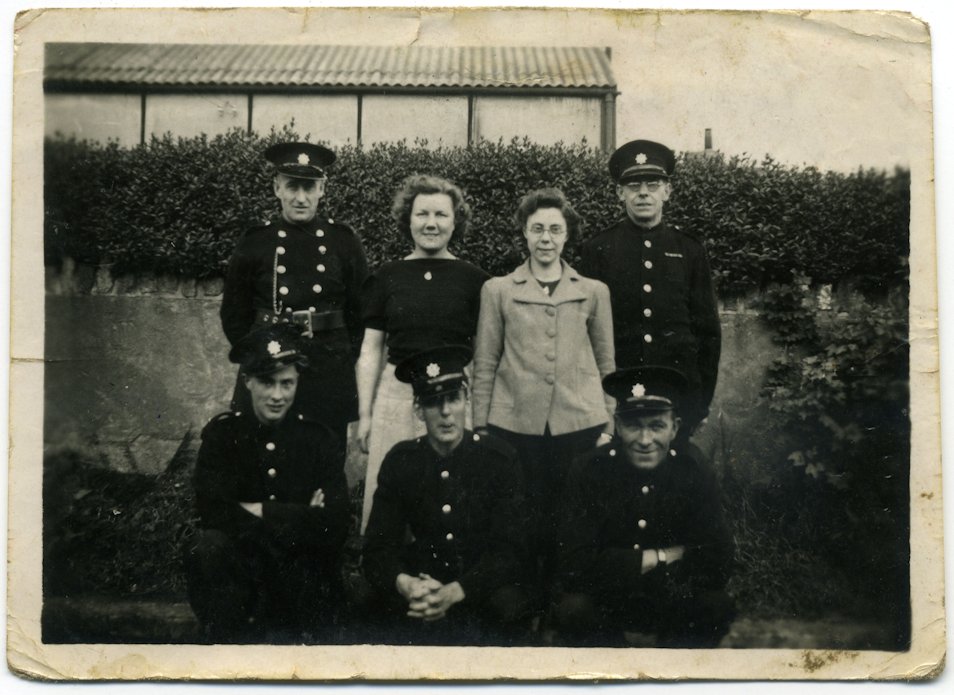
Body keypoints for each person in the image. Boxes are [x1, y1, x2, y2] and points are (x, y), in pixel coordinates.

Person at [471, 187, 615, 598]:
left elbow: (607, 364)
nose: (546, 238)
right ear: (525, 234)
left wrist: (608, 423)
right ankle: (524, 598)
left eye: (555, 229)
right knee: (521, 515)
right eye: (537, 229)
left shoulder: (593, 291)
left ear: (568, 234)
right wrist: (481, 424)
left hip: (579, 422)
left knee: (570, 515)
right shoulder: (498, 290)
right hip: (515, 424)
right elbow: (485, 360)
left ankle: (563, 598)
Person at [183, 323, 350, 643]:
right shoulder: (223, 437)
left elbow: (336, 524)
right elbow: (214, 513)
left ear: (297, 382)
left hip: (300, 583)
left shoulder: (318, 440)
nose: (277, 395)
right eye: (267, 382)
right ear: (248, 382)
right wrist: (300, 515)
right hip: (245, 583)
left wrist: (259, 510)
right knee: (207, 546)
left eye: (286, 383)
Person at [553, 366, 735, 648]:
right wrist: (661, 557)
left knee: (715, 605)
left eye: (656, 426)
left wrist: (614, 560)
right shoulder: (590, 470)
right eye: (634, 425)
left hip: (670, 597)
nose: (645, 440)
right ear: (617, 425)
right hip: (609, 598)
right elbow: (573, 563)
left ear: (674, 427)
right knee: (573, 609)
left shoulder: (693, 468)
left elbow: (718, 559)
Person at [363, 345, 531, 646]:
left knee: (510, 607)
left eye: (453, 399)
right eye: (433, 402)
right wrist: (408, 585)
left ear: (465, 400)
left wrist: (456, 591)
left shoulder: (498, 459)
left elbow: (511, 550)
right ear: (418, 410)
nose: (445, 413)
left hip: (479, 584)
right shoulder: (402, 461)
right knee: (372, 608)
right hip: (424, 583)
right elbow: (377, 548)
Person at [356, 174, 489, 531]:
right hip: (397, 395)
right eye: (422, 214)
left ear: (455, 221)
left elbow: (484, 354)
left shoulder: (474, 279)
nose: (431, 224)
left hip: (454, 397)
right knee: (395, 489)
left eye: (441, 215)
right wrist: (365, 414)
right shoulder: (388, 276)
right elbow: (370, 349)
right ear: (408, 219)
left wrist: (480, 412)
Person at [220, 141, 368, 450]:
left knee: (324, 451)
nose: (301, 198)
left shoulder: (343, 241)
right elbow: (234, 314)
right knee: (261, 452)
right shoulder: (256, 241)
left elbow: (360, 311)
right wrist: (259, 357)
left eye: (309, 188)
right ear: (277, 188)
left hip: (328, 364)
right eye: (292, 187)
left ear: (322, 189)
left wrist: (341, 357)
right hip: (270, 361)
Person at [580, 140, 721, 435]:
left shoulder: (689, 249)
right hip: (620, 391)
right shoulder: (599, 249)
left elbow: (707, 332)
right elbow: (585, 333)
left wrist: (701, 401)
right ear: (620, 193)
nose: (643, 192)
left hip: (678, 391)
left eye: (652, 184)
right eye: (633, 185)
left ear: (667, 191)